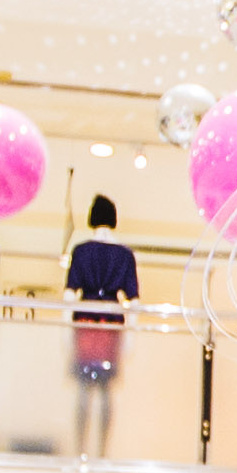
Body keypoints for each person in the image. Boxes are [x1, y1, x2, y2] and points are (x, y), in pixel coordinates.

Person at [64, 192, 139, 456]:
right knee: (106, 390)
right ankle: (102, 451)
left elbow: (69, 295)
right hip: (111, 325)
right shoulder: (125, 255)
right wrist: (130, 336)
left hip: (85, 322)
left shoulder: (81, 251)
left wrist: (66, 332)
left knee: (84, 388)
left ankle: (80, 449)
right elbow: (134, 300)